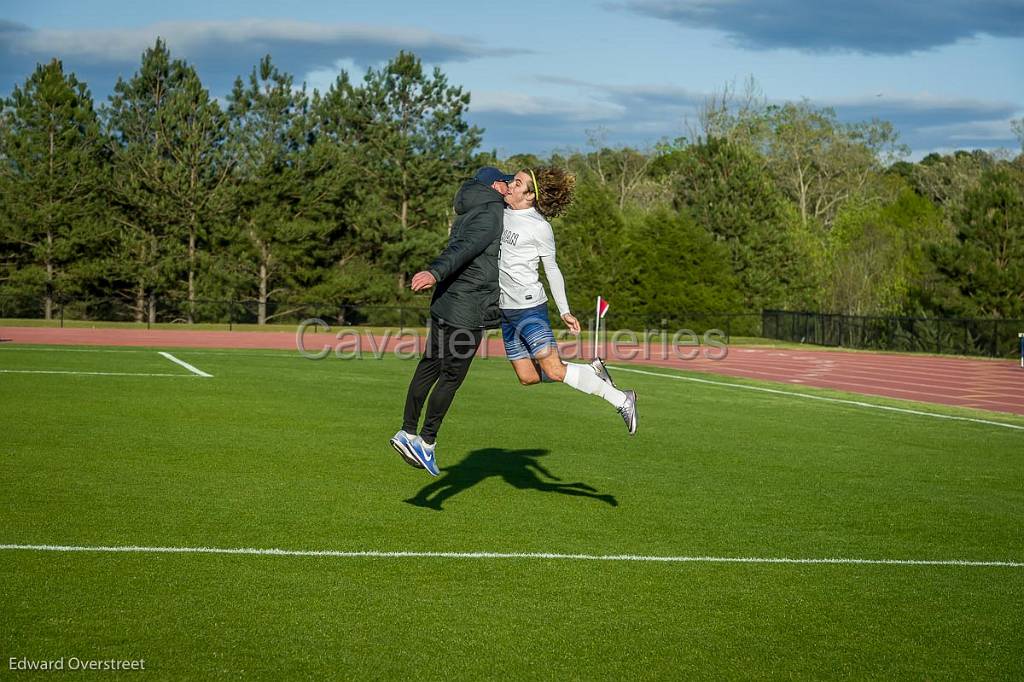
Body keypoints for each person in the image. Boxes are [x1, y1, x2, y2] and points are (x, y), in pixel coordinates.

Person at [390, 166, 513, 477]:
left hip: (447, 304)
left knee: (429, 365)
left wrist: (437, 274)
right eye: (507, 183)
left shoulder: (470, 211)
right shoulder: (491, 212)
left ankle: (406, 432)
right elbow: (464, 250)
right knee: (451, 377)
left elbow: (461, 248)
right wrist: (435, 272)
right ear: (494, 185)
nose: (510, 188)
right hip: (466, 310)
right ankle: (426, 442)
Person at [499, 167, 638, 434]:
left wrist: (564, 310)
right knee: (527, 377)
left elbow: (552, 269)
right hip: (505, 309)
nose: (511, 185)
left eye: (517, 183)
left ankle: (621, 399)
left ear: (530, 196)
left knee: (553, 370)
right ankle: (591, 371)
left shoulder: (540, 227)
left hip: (529, 308)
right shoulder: (500, 212)